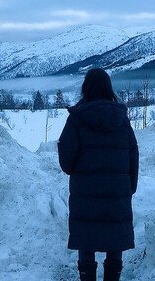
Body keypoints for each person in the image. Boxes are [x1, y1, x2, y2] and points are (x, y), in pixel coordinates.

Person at [57, 68, 139, 281]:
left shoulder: (76, 119)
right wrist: (130, 187)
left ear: (86, 88)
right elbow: (133, 154)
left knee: (87, 239)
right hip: (117, 192)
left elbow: (66, 162)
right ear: (108, 88)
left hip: (85, 193)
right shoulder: (122, 119)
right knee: (115, 242)